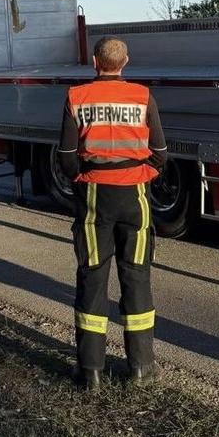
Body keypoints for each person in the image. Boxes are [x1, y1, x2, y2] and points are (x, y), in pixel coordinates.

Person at [57, 37, 167, 391]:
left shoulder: (76, 97)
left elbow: (67, 155)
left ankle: (90, 371)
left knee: (92, 276)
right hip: (135, 196)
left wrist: (83, 178)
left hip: (94, 196)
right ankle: (141, 367)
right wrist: (142, 174)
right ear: (126, 62)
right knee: (136, 276)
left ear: (94, 62)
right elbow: (160, 153)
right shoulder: (143, 96)